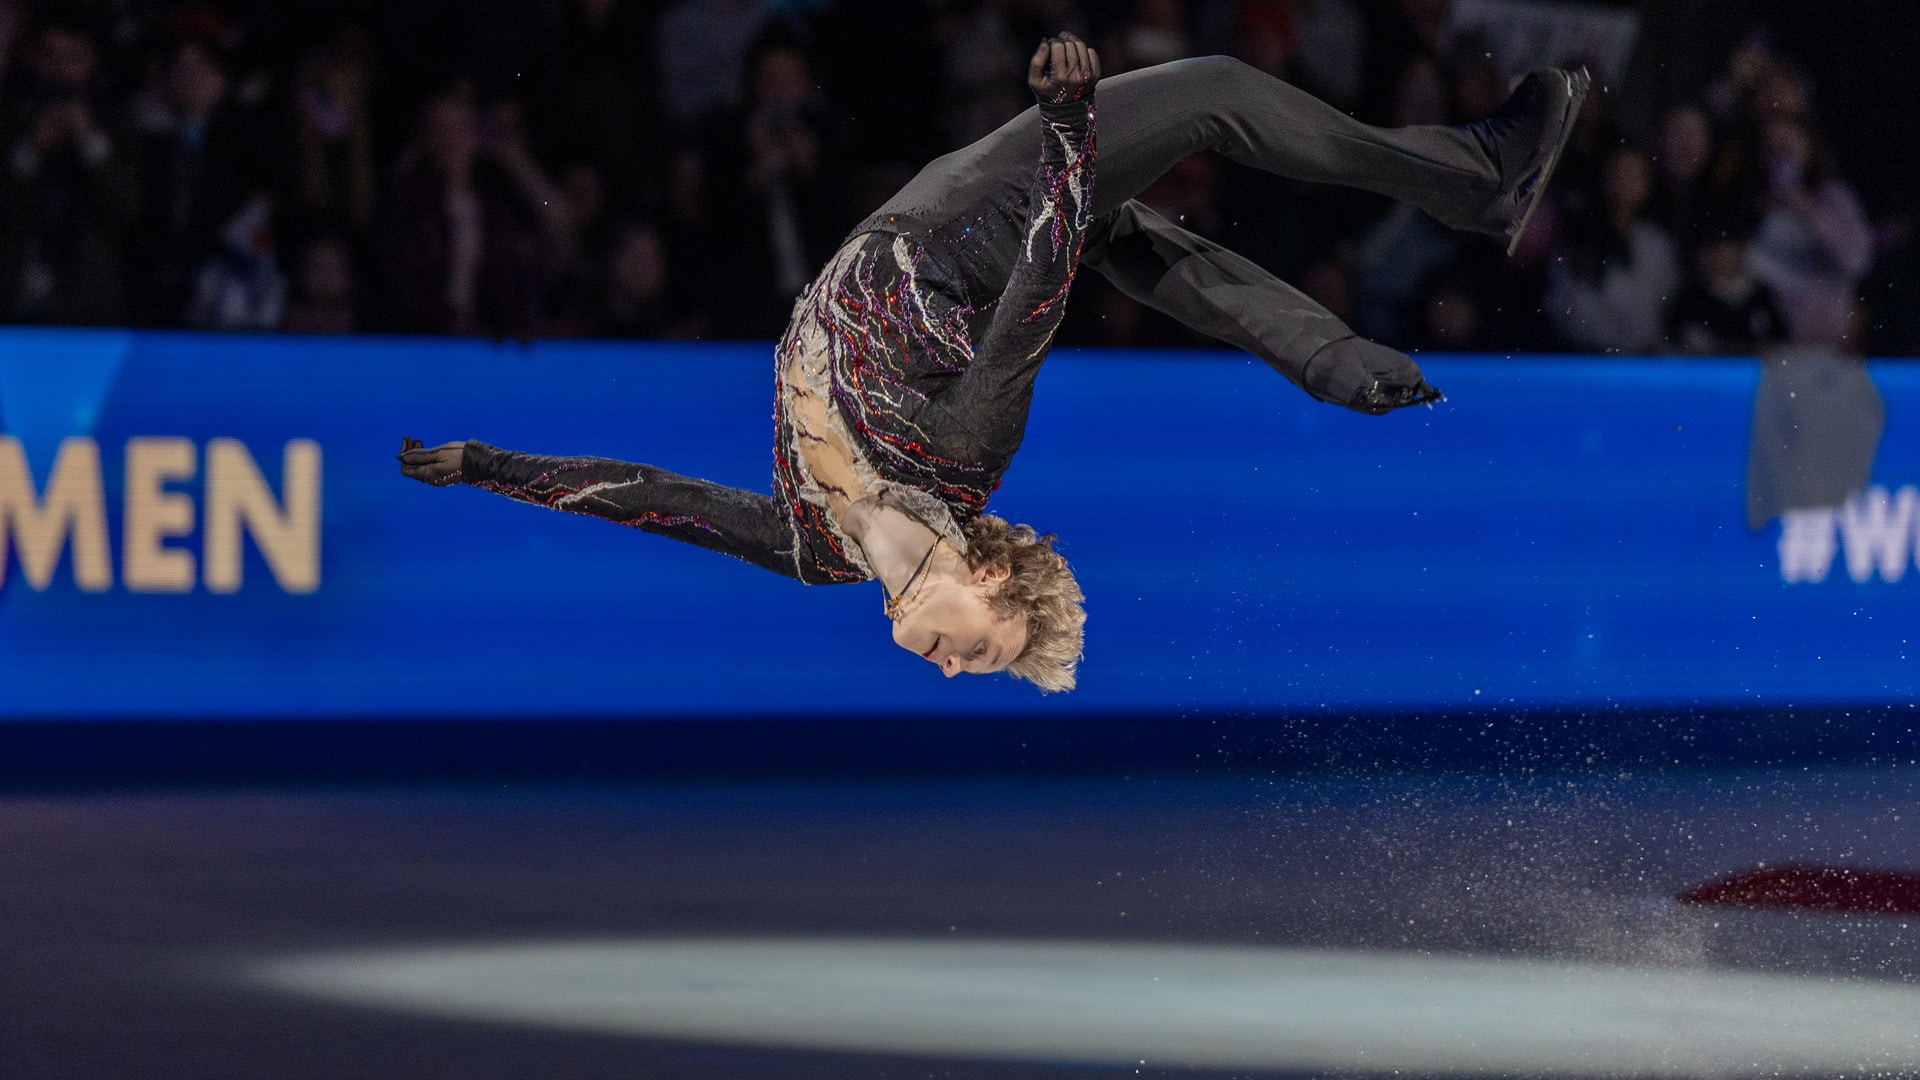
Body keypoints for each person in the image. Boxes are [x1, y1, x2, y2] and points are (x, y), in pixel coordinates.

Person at [401, 37, 1588, 691]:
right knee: (1213, 98)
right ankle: (1475, 183)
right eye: (985, 651)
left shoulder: (813, 553)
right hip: (976, 230)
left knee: (1141, 236)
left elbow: (650, 500)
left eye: (970, 667)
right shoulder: (967, 454)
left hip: (946, 226)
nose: (958, 670)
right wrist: (1067, 129)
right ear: (993, 581)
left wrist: (484, 467)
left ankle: (1331, 354)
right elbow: (1038, 280)